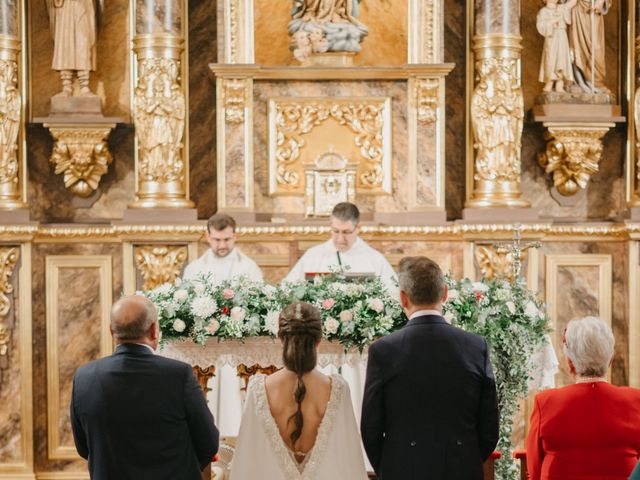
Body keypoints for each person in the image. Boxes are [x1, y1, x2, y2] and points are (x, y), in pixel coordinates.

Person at [361, 256, 499, 480]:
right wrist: (465, 458)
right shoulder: (476, 346)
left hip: (402, 469)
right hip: (461, 468)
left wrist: (392, 466)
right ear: (445, 293)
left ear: (403, 299)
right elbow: (489, 426)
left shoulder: (383, 350)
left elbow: (371, 428)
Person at [70, 295, 219, 479]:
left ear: (111, 332)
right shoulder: (178, 375)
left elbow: (84, 447)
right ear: (154, 330)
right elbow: (209, 442)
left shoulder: (84, 377)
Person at [229, 302, 368, 479]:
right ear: (318, 341)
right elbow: (349, 457)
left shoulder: (258, 388)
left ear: (280, 338)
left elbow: (248, 457)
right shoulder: (338, 389)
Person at [526, 316, 640, 480]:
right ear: (610, 360)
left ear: (570, 362)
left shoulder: (545, 403)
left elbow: (535, 471)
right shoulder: (636, 400)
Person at [283, 202, 397, 295]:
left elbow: (393, 292)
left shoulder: (374, 259)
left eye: (346, 232)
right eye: (336, 231)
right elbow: (287, 289)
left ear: (357, 228)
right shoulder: (313, 255)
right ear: (330, 226)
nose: (340, 239)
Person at [183, 213, 263, 284]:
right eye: (217, 240)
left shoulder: (250, 268)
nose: (222, 246)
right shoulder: (193, 269)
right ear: (208, 237)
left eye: (227, 239)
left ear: (235, 236)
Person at [46, 0, 101, 96]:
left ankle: (84, 86)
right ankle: (66, 86)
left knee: (83, 44)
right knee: (66, 44)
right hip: (66, 7)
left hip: (84, 5)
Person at [536, 0, 577, 93]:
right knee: (550, 59)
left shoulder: (561, 8)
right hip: (551, 38)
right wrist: (552, 21)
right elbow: (541, 26)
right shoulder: (543, 11)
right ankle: (549, 82)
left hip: (562, 36)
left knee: (561, 59)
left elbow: (573, 2)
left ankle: (560, 84)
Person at [569, 0, 610, 91]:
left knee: (596, 47)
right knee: (577, 44)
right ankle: (578, 80)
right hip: (577, 8)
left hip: (594, 10)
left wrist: (600, 1)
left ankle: (596, 81)